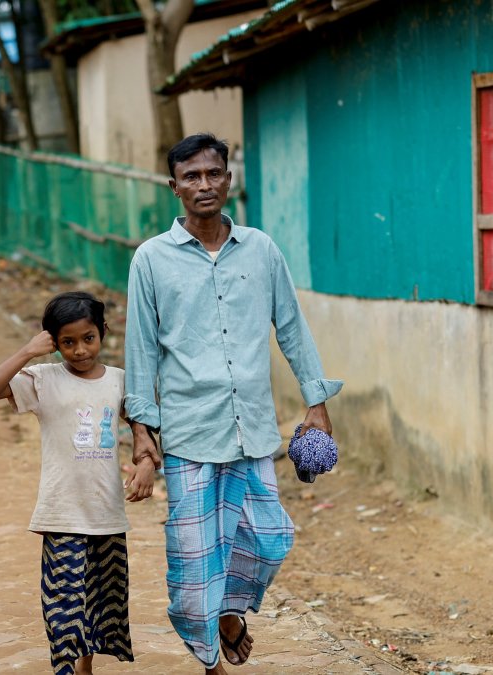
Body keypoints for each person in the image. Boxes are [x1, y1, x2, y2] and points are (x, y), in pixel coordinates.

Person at [124, 134, 343, 674]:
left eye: (214, 173)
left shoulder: (261, 249)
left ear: (229, 179)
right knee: (194, 562)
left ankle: (229, 612)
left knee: (268, 539)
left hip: (253, 432)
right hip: (189, 432)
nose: (205, 184)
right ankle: (210, 659)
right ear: (173, 186)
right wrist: (142, 429)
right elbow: (142, 348)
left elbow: (290, 326)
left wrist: (316, 400)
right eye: (192, 176)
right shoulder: (151, 260)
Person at [0, 292, 159, 675]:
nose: (79, 350)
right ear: (53, 342)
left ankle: (85, 668)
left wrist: (146, 464)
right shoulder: (42, 379)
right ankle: (64, 668)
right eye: (67, 343)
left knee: (98, 599)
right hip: (62, 510)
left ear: (103, 333)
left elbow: (142, 426)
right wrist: (28, 352)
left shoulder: (119, 381)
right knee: (63, 603)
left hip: (106, 512)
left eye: (87, 339)